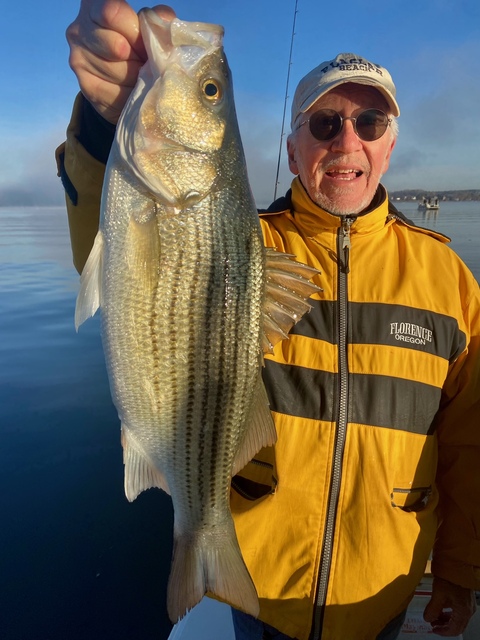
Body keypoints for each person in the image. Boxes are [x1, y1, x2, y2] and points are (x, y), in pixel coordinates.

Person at [56, 2, 480, 639]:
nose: (347, 141)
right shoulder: (244, 246)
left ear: (390, 144)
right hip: (262, 595)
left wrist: (459, 570)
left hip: (383, 600)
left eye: (369, 121)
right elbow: (103, 237)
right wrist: (100, 121)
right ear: (291, 147)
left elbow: (468, 447)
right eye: (324, 123)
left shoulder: (450, 281)